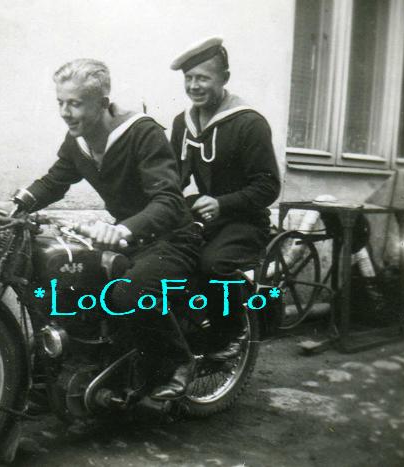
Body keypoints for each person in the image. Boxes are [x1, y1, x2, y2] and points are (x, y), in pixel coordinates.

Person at [8, 58, 202, 399]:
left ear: (102, 102)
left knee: (127, 295)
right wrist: (16, 205)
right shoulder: (78, 141)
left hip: (172, 239)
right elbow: (55, 181)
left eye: (75, 104)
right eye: (60, 102)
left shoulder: (143, 133)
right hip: (129, 238)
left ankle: (178, 361)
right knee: (66, 283)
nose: (65, 113)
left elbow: (169, 201)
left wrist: (124, 230)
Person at [148, 38, 282, 400]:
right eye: (189, 78)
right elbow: (175, 176)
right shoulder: (184, 122)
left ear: (224, 78)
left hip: (244, 220)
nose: (194, 86)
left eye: (203, 78)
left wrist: (223, 204)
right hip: (206, 214)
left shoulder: (249, 123)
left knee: (211, 263)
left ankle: (232, 332)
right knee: (164, 257)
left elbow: (268, 186)